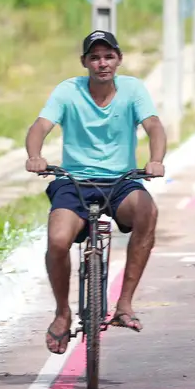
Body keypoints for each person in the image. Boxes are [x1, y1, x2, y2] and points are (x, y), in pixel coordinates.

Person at [24, 30, 167, 355]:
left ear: (119, 60)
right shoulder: (68, 90)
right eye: (95, 57)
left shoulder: (133, 89)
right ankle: (62, 313)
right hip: (74, 182)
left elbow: (154, 126)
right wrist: (35, 155)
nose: (102, 63)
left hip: (121, 182)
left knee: (148, 212)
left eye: (108, 56)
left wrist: (156, 160)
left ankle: (124, 304)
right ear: (84, 62)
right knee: (58, 240)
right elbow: (40, 126)